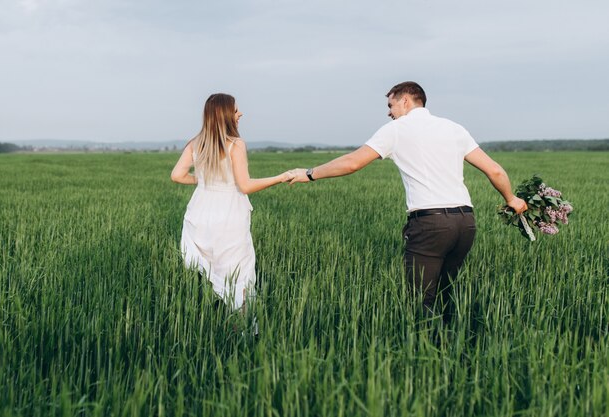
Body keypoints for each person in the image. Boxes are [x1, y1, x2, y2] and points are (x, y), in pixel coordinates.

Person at [289, 81, 527, 321]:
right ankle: (453, 346)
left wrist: (309, 174)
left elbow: (352, 163)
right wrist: (511, 199)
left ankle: (426, 353)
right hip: (465, 223)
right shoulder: (454, 128)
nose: (389, 112)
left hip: (430, 224)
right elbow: (494, 170)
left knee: (421, 301)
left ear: (405, 101)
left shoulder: (396, 129)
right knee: (447, 295)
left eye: (390, 105)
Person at [171, 93, 292, 311]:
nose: (240, 113)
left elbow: (177, 176)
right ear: (226, 114)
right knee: (239, 274)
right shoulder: (236, 144)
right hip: (229, 216)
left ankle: (209, 317)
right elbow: (244, 186)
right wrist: (280, 177)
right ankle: (242, 331)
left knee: (209, 274)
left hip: (199, 213)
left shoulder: (195, 144)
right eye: (236, 110)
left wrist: (204, 180)